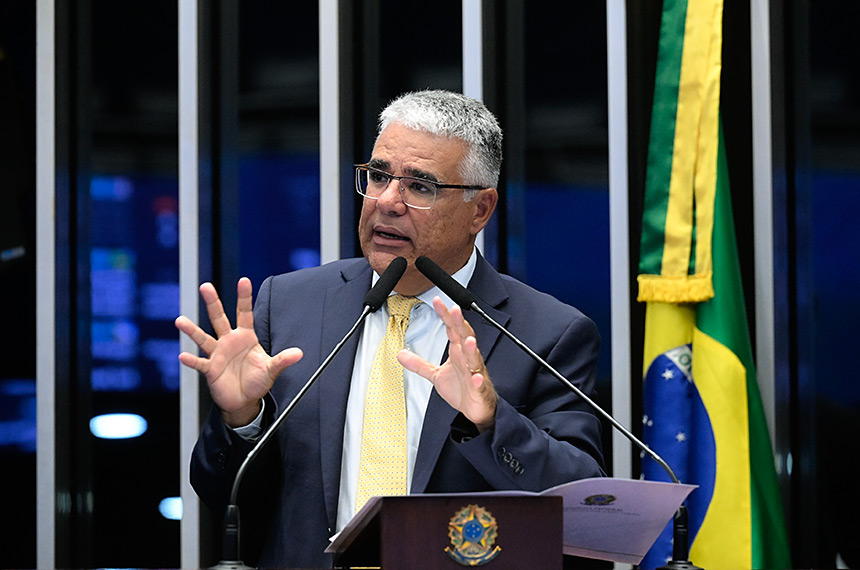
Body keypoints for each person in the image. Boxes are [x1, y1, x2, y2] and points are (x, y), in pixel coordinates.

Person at [176, 89, 605, 568]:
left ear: (480, 210)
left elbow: (587, 513)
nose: (386, 202)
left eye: (420, 187)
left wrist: (491, 421)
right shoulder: (288, 305)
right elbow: (226, 498)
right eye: (378, 176)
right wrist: (243, 421)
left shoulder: (547, 332)